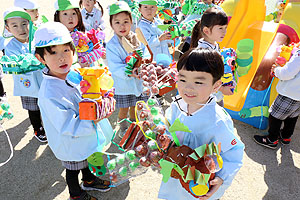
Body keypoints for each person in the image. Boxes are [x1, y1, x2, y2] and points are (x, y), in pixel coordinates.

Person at [34, 21, 113, 200]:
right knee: (73, 168)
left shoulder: (74, 72)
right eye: (53, 53)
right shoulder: (49, 93)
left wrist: (100, 91)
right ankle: (75, 194)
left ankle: (89, 180)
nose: (62, 58)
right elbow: (67, 124)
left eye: (66, 50)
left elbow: (88, 92)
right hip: (70, 138)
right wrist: (94, 118)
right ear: (40, 58)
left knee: (86, 158)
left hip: (85, 134)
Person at [158, 48, 244, 200]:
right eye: (183, 79)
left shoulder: (218, 121)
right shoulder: (178, 105)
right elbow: (167, 127)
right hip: (176, 174)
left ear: (216, 86)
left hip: (197, 183)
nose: (188, 87)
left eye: (198, 82)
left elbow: (234, 152)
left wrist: (222, 177)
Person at [3, 7, 46, 142]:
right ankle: (37, 128)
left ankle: (47, 123)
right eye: (14, 25)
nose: (21, 29)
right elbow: (16, 63)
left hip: (42, 78)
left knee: (45, 103)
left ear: (30, 24)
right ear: (8, 29)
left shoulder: (36, 39)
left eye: (24, 24)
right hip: (26, 83)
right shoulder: (10, 46)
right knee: (33, 108)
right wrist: (29, 61)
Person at [106, 2, 148, 137]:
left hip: (138, 80)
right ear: (111, 25)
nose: (122, 26)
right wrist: (130, 71)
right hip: (123, 84)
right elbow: (115, 66)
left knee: (136, 106)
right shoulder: (112, 45)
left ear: (131, 22)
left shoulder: (136, 38)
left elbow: (144, 53)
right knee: (124, 108)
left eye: (125, 21)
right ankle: (123, 126)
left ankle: (134, 123)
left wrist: (144, 64)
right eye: (117, 22)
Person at [254, 50, 300, 149]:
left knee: (275, 116)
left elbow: (287, 73)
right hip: (298, 96)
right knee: (292, 116)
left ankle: (272, 139)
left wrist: (277, 70)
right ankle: (286, 136)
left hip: (290, 93)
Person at [190, 7, 233, 106]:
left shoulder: (214, 45)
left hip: (215, 95)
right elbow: (202, 79)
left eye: (225, 28)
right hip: (205, 99)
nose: (224, 32)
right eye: (220, 28)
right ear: (206, 30)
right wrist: (222, 88)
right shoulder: (203, 52)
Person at [54, 0, 105, 67]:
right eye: (65, 14)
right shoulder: (59, 38)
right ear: (58, 17)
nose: (70, 18)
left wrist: (100, 52)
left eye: (74, 13)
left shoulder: (81, 34)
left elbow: (91, 47)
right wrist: (77, 65)